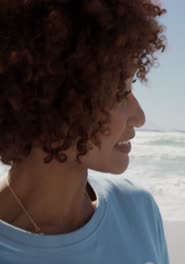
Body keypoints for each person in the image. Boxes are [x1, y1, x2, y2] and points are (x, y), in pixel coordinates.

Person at [0, 0, 168, 263]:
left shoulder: (139, 212)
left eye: (131, 86)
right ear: (51, 95)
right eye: (119, 91)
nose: (140, 117)